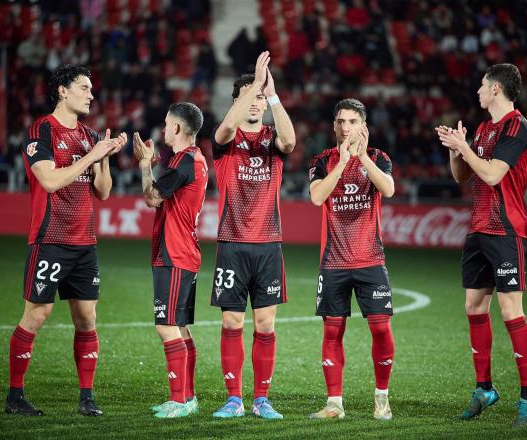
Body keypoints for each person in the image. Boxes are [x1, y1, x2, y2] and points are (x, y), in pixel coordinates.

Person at [5, 65, 126, 416]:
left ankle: (87, 396)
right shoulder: (42, 129)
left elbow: (103, 193)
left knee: (87, 319)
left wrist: (102, 160)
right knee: (37, 314)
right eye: (84, 87)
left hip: (84, 242)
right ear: (62, 90)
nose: (91, 94)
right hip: (50, 239)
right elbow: (49, 181)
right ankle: (15, 396)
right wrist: (92, 155)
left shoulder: (89, 135)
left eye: (92, 89)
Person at [436, 63, 527, 427]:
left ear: (496, 89)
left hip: (507, 231)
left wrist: (465, 146)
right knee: (473, 306)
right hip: (479, 228)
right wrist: (455, 150)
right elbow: (463, 175)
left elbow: (494, 173)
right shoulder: (482, 128)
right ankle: (485, 388)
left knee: (512, 312)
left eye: (482, 84)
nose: (478, 90)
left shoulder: (518, 127)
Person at [210, 51, 296, 419]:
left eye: (260, 97)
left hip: (268, 246)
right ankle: (234, 398)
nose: (256, 101)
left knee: (265, 324)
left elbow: (291, 143)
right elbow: (224, 130)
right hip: (231, 243)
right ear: (237, 101)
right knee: (232, 322)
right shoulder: (225, 140)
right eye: (250, 96)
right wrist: (252, 88)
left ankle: (261, 399)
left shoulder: (273, 138)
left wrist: (272, 94)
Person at [307, 99, 396, 420]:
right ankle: (334, 403)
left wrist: (361, 160)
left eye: (353, 121)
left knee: (382, 331)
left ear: (363, 127)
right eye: (341, 121)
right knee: (332, 332)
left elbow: (387, 189)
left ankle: (382, 398)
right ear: (333, 126)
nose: (346, 127)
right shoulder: (322, 161)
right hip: (333, 263)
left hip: (371, 261)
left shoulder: (379, 158)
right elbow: (317, 197)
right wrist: (344, 163)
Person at [132, 102, 207, 419]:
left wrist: (145, 165)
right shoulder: (188, 160)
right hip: (183, 252)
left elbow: (151, 197)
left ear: (177, 128)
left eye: (166, 124)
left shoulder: (186, 162)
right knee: (181, 328)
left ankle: (179, 400)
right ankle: (186, 398)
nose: (163, 129)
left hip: (175, 254)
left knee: (167, 327)